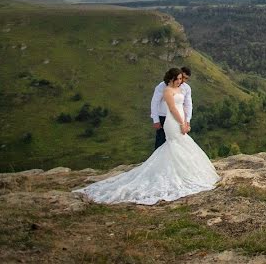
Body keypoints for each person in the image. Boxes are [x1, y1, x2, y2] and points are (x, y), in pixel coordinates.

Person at [73, 67, 219, 205]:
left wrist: (187, 121)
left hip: (181, 119)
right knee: (171, 145)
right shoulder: (166, 90)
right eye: (179, 78)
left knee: (182, 144)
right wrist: (179, 122)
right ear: (172, 78)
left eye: (182, 78)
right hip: (172, 121)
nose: (181, 81)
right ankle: (164, 172)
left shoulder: (183, 89)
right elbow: (172, 107)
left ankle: (185, 171)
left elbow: (187, 104)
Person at [151, 66, 193, 150]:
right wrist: (156, 120)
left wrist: (187, 120)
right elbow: (155, 102)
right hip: (164, 116)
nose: (183, 80)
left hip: (179, 118)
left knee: (180, 141)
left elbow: (188, 104)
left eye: (185, 78)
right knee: (161, 141)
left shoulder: (186, 88)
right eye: (182, 77)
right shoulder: (162, 86)